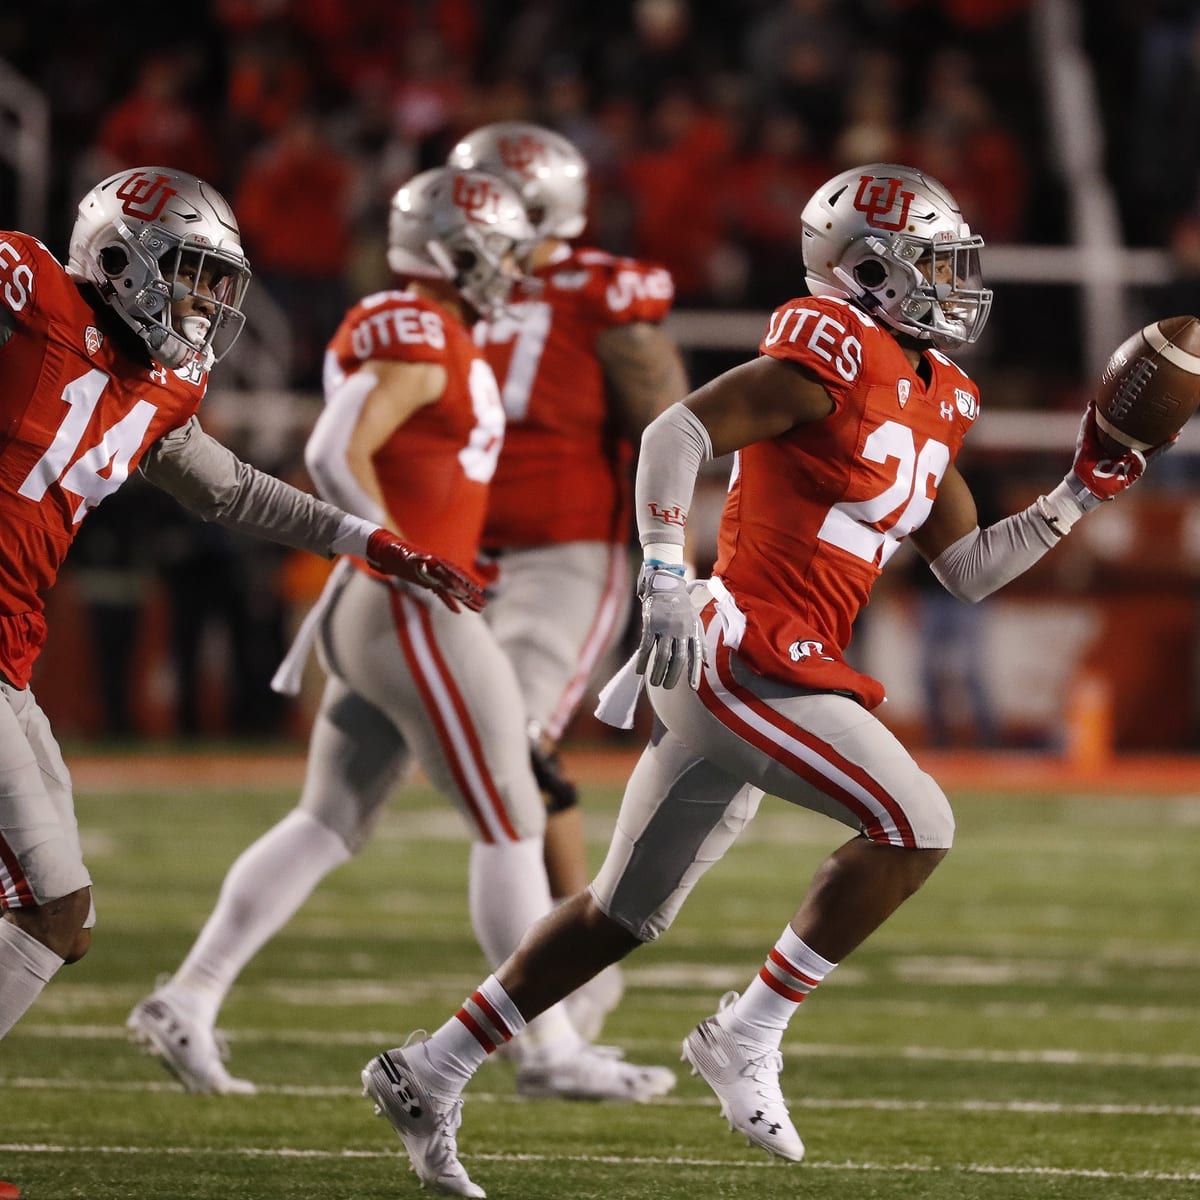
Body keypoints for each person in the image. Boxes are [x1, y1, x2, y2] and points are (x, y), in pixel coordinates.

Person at [356, 162, 1170, 1198]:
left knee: (621, 914)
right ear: (867, 271)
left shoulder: (938, 392)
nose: (957, 281)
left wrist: (1078, 491)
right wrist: (662, 573)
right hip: (736, 652)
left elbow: (967, 570)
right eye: (934, 261)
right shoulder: (830, 348)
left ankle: (431, 1068)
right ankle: (748, 1031)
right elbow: (675, 431)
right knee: (916, 824)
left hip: (774, 663)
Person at [127, 166, 676, 1105]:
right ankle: (545, 1049)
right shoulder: (420, 328)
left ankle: (189, 996)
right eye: (498, 251)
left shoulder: (432, 327)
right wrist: (389, 547)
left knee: (327, 820)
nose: (510, 269)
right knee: (509, 822)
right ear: (458, 250)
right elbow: (333, 447)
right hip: (408, 603)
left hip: (377, 605)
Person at [0, 165, 484, 1045]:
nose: (206, 300)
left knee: (56, 916)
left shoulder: (162, 384)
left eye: (216, 281)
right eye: (191, 273)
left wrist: (371, 539)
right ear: (118, 256)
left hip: (11, 658)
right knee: (51, 907)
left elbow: (233, 491)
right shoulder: (28, 292)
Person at [447, 121, 689, 1039]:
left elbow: (671, 431)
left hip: (563, 550)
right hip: (460, 557)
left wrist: (678, 565)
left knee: (511, 749)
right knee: (445, 766)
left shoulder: (599, 291)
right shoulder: (453, 293)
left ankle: (569, 982)